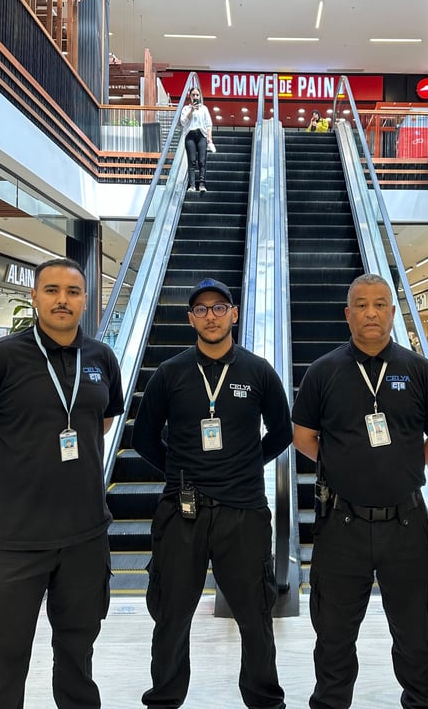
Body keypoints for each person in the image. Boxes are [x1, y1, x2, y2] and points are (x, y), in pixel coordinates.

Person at [0, 257, 124, 709]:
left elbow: (103, 419)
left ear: (85, 300)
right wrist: (0, 455)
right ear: (34, 297)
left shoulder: (101, 358)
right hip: (13, 540)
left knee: (78, 657)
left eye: (73, 292)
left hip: (85, 536)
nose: (63, 300)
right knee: (3, 661)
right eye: (53, 290)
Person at [292, 273, 428, 709]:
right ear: (347, 314)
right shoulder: (323, 371)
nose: (370, 313)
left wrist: (403, 463)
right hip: (341, 526)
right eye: (361, 305)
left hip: (406, 525)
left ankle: (422, 703)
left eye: (380, 304)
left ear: (392, 313)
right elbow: (303, 436)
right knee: (333, 636)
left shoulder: (418, 370)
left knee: (417, 635)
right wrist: (344, 464)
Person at [132, 277, 291, 709]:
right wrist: (180, 471)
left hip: (244, 511)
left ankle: (263, 700)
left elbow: (283, 431)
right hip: (182, 511)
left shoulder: (259, 372)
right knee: (170, 616)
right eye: (201, 309)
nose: (211, 316)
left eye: (219, 308)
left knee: (255, 618)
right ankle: (164, 699)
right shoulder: (170, 374)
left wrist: (245, 464)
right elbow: (144, 438)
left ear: (234, 314)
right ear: (191, 319)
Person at [180, 86, 215, 192]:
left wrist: (209, 138)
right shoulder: (186, 109)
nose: (195, 97)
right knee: (191, 161)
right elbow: (183, 122)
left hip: (201, 135)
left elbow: (208, 124)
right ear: (190, 96)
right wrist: (191, 110)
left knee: (202, 161)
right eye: (193, 95)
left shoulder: (204, 109)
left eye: (197, 95)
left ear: (200, 96)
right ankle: (191, 185)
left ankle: (202, 184)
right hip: (190, 135)